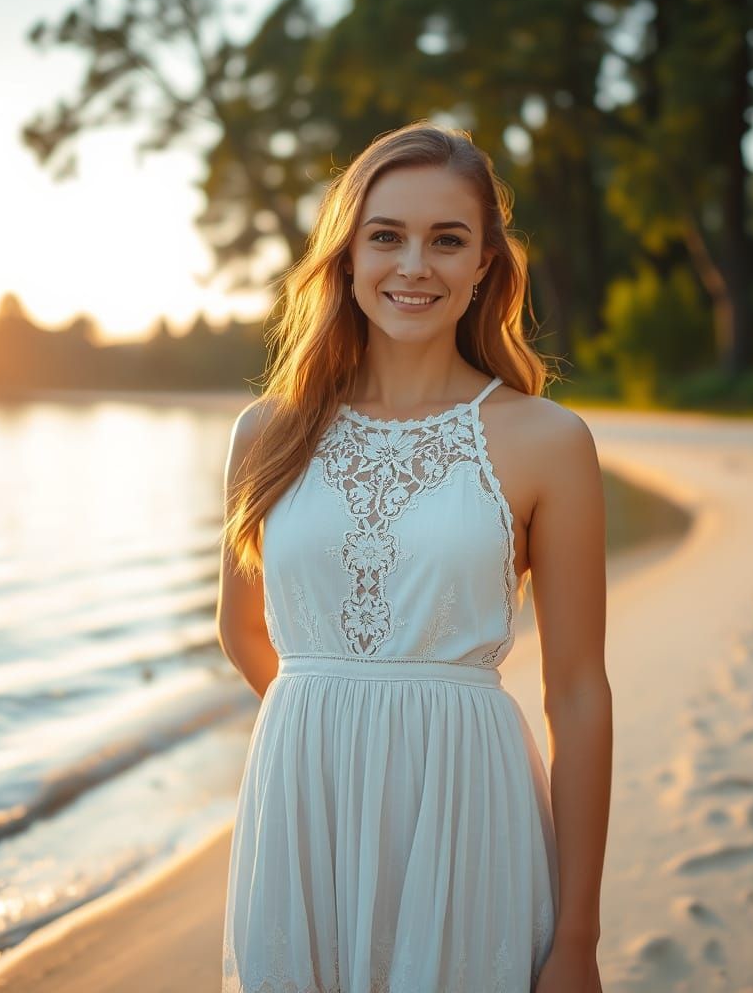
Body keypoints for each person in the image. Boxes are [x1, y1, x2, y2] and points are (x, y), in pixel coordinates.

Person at [217, 120, 611, 993]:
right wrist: (334, 734)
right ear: (347, 256)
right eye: (386, 236)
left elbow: (580, 692)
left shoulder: (548, 440)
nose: (414, 265)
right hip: (304, 814)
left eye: (447, 240)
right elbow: (242, 631)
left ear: (485, 266)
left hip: (469, 811)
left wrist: (579, 936)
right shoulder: (266, 432)